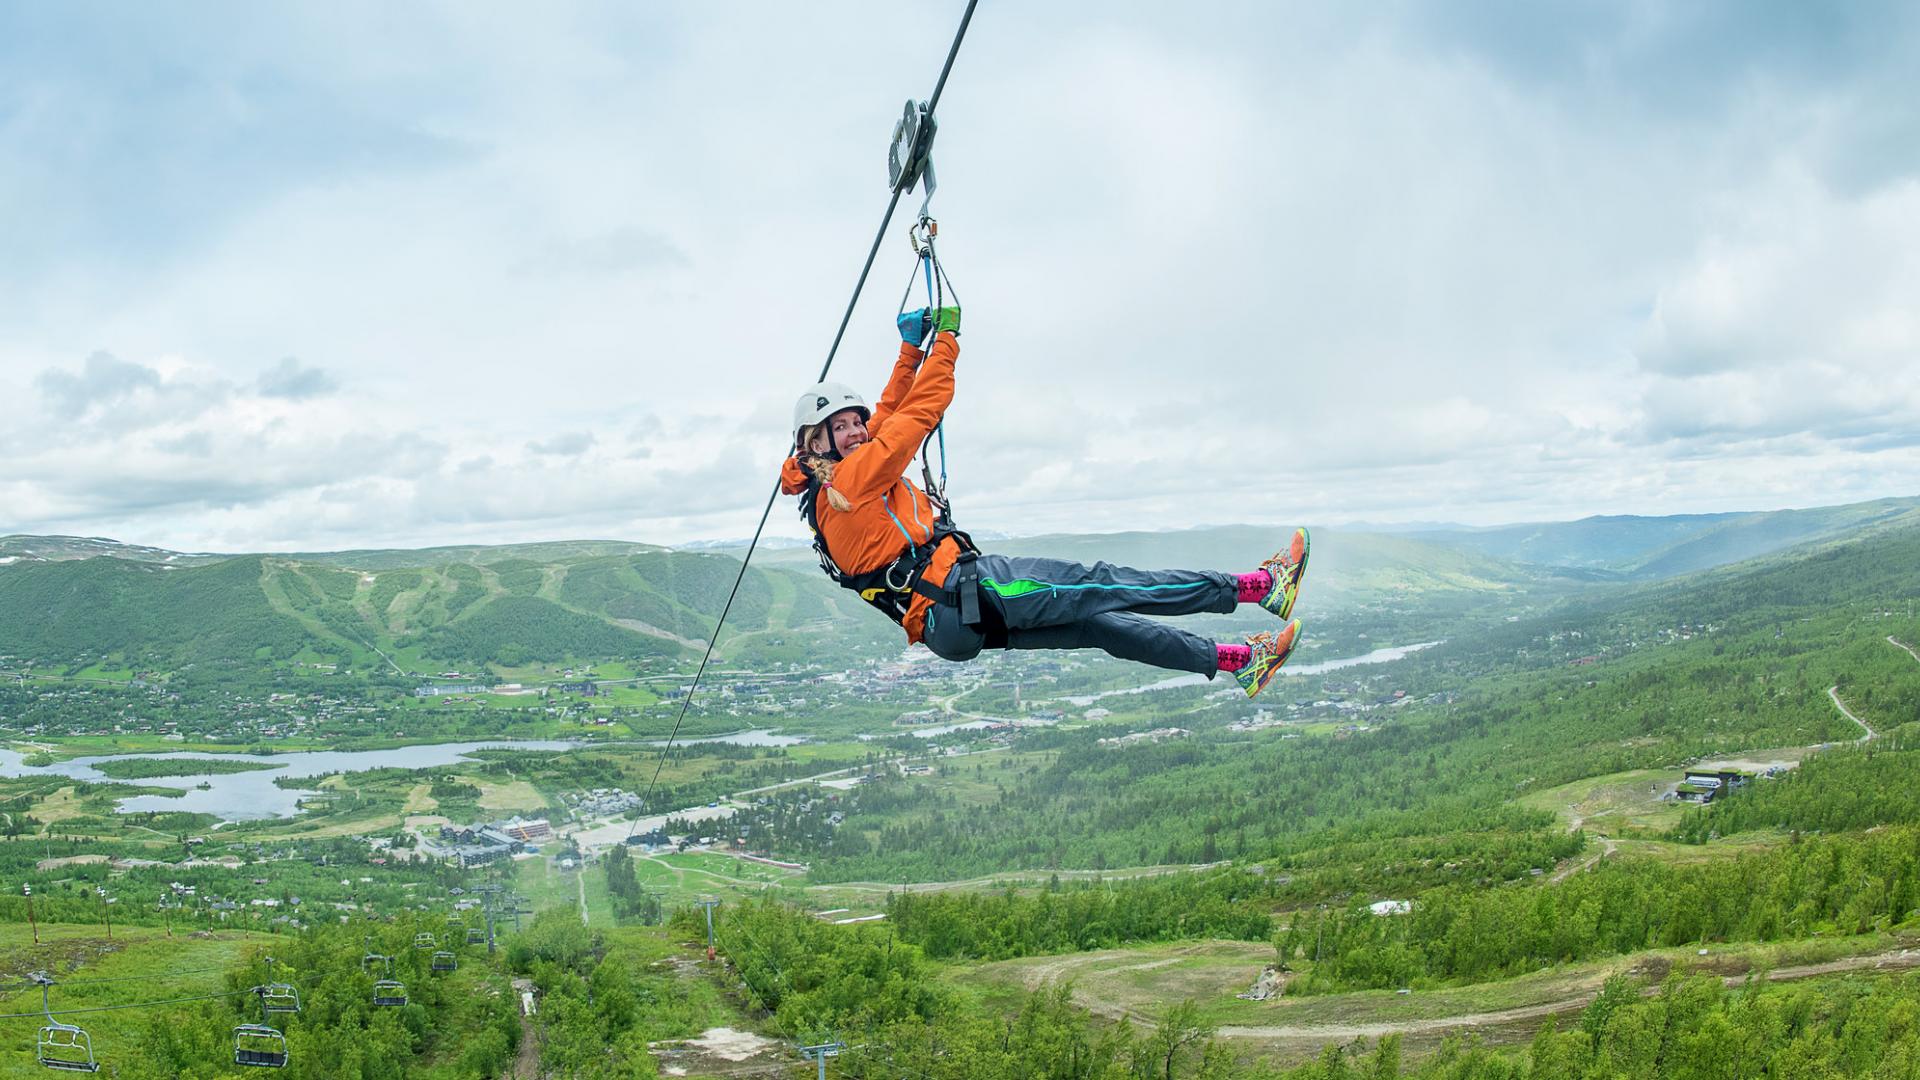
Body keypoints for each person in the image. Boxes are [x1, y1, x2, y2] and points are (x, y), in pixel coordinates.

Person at [778, 305, 1309, 697]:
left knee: (1103, 624)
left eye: (854, 422)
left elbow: (888, 414)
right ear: (814, 441)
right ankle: (1260, 587)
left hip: (952, 620)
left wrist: (910, 351)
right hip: (965, 591)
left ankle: (1240, 660)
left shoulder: (829, 493)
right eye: (838, 426)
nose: (854, 432)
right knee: (1106, 581)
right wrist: (946, 343)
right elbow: (916, 417)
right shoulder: (850, 482)